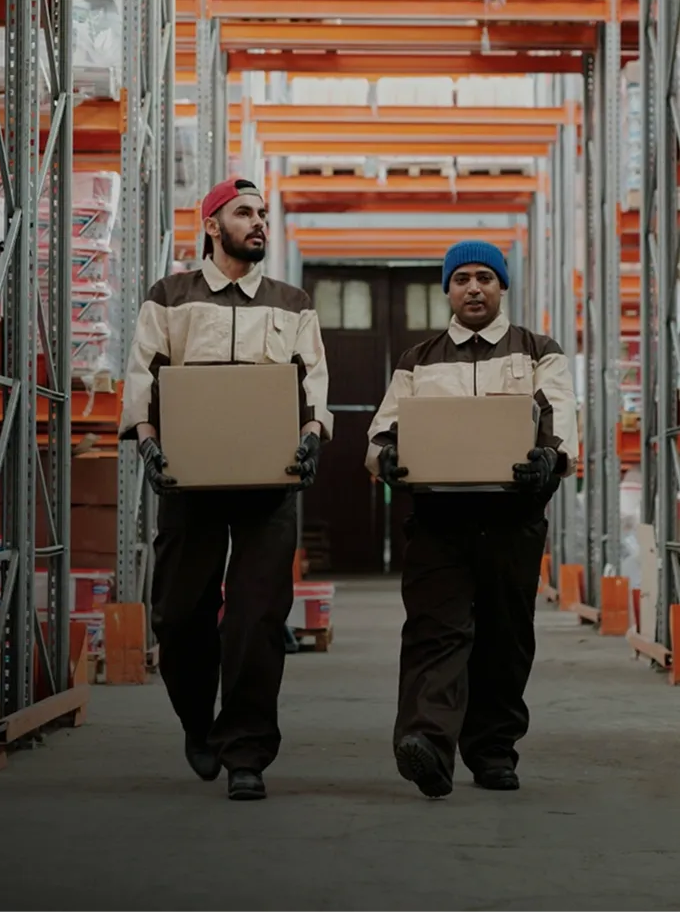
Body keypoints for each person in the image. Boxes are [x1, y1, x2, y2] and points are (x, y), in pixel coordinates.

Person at [118, 178, 333, 801]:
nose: (259, 222)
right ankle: (197, 722)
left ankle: (247, 753)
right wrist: (149, 441)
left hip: (271, 482)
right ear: (212, 225)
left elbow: (312, 379)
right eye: (245, 213)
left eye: (264, 213)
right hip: (190, 476)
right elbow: (143, 374)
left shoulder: (292, 302)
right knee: (179, 613)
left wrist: (314, 431)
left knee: (256, 619)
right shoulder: (171, 296)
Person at [365, 240, 578, 799]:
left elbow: (559, 417)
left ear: (502, 286)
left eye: (485, 277)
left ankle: (492, 750)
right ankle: (427, 746)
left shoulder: (538, 350)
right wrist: (384, 456)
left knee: (505, 637)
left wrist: (549, 459)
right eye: (462, 280)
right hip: (440, 519)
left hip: (513, 518)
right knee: (435, 632)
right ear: (448, 291)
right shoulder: (418, 359)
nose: (474, 288)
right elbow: (383, 430)